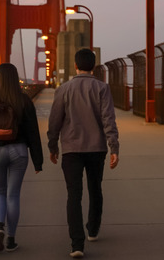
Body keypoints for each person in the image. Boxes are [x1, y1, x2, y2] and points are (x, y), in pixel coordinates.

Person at [47, 48, 120, 258]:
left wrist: (53, 146)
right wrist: (114, 147)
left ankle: (76, 244)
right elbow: (109, 119)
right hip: (97, 148)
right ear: (94, 66)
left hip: (71, 150)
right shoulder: (102, 88)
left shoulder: (64, 89)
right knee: (95, 188)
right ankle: (93, 229)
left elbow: (54, 121)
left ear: (75, 66)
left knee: (74, 195)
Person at [0, 63, 44, 252]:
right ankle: (11, 239)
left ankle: (0, 226)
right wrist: (38, 160)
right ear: (15, 78)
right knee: (13, 194)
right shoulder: (23, 100)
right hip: (19, 150)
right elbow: (32, 131)